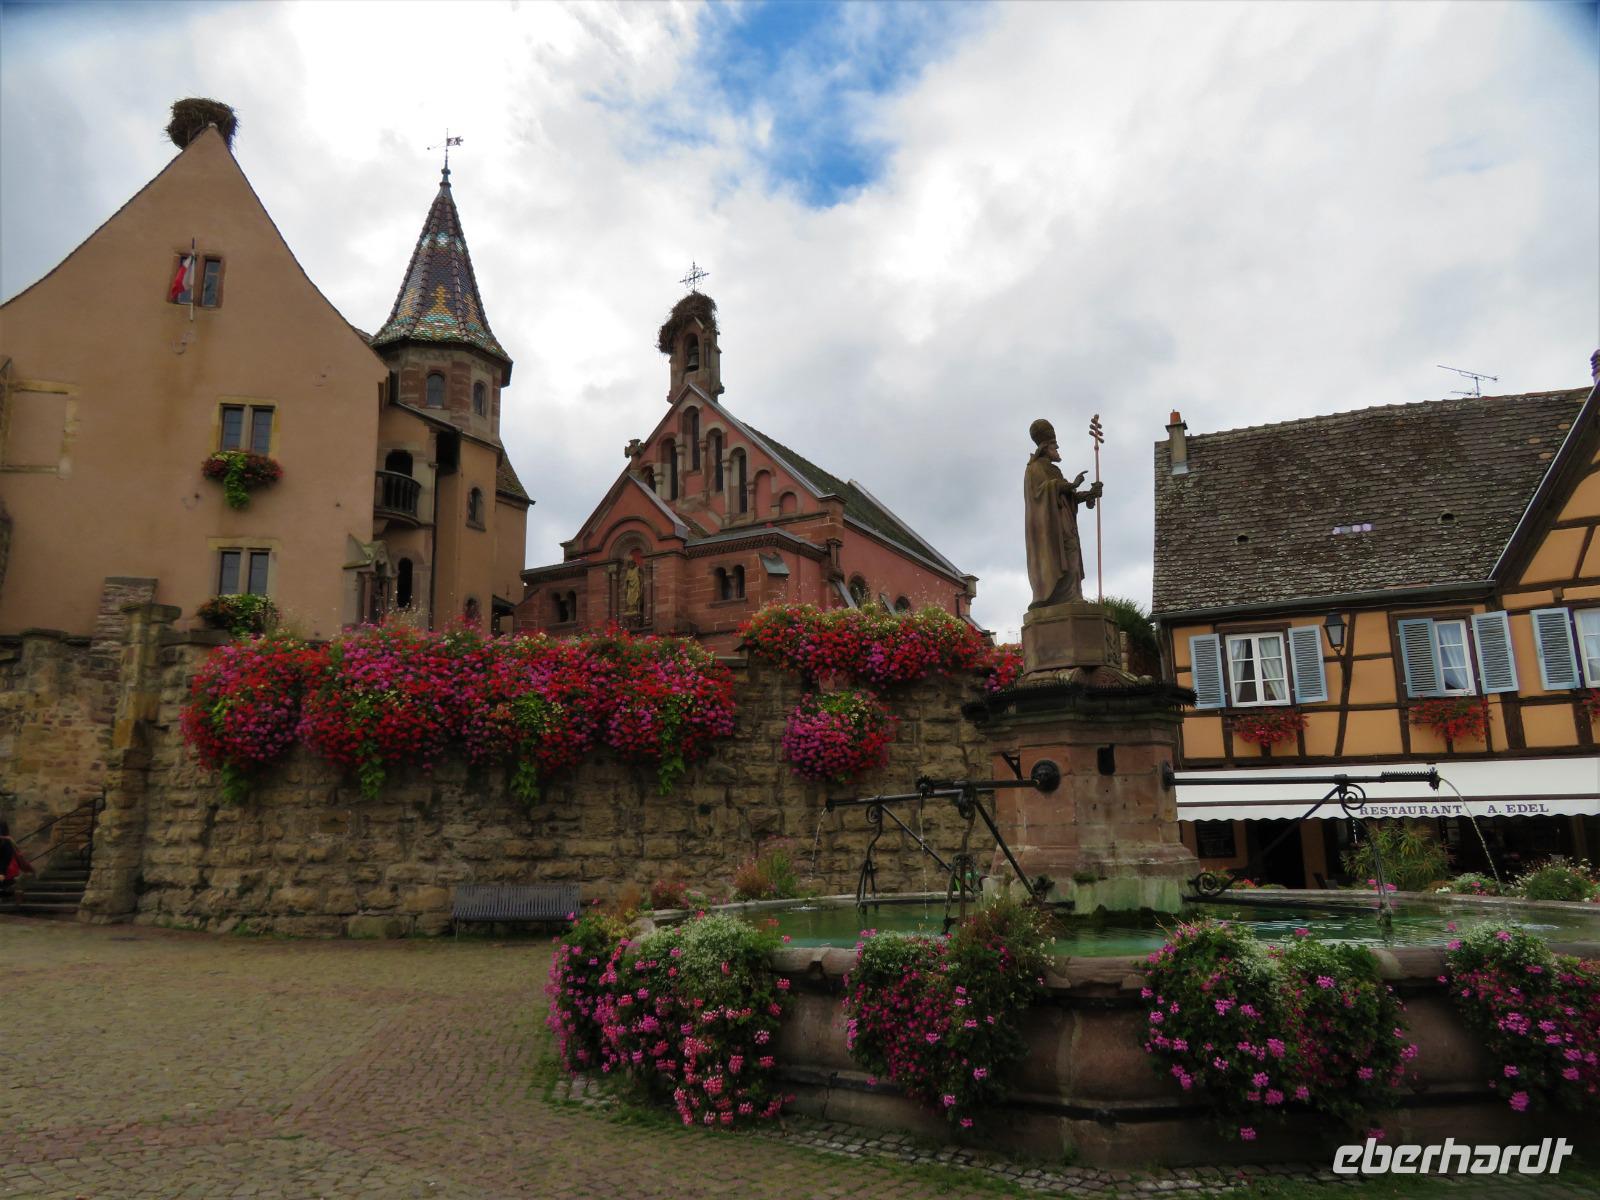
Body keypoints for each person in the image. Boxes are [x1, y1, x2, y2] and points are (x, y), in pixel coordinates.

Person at [1024, 418, 1102, 607]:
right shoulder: (1034, 468)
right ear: (1045, 447)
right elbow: (1041, 492)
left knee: (1072, 553)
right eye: (1054, 447)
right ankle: (1066, 597)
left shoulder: (1053, 469)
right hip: (1052, 527)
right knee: (1066, 554)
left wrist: (1089, 494)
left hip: (1065, 522)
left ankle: (1074, 595)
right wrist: (1069, 484)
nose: (1057, 451)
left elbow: (1068, 496)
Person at [0, 819, 36, 901]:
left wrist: (2, 872)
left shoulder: (5, 840)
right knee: (6, 887)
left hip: (6, 868)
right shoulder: (7, 840)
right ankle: (16, 892)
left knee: (5, 887)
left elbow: (6, 857)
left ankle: (16, 892)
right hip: (7, 868)